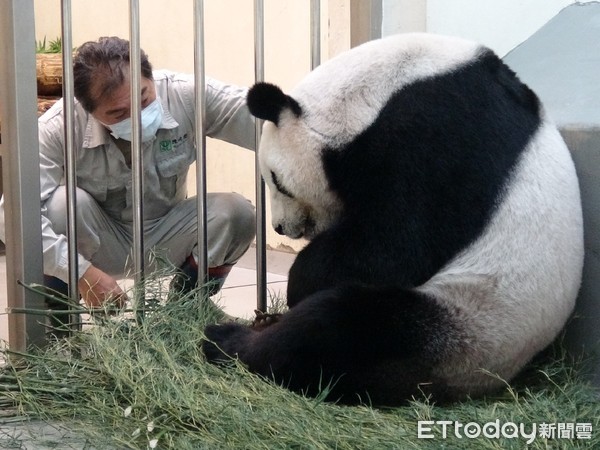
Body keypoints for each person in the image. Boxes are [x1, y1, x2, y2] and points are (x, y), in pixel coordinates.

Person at [1, 36, 257, 309]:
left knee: (236, 212)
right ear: (88, 110)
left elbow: (264, 120)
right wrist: (78, 271)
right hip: (98, 241)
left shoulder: (184, 93)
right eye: (118, 113)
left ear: (151, 79)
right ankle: (60, 332)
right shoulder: (61, 125)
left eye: (144, 99)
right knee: (61, 206)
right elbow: (12, 217)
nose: (137, 118)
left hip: (168, 231)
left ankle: (184, 313)